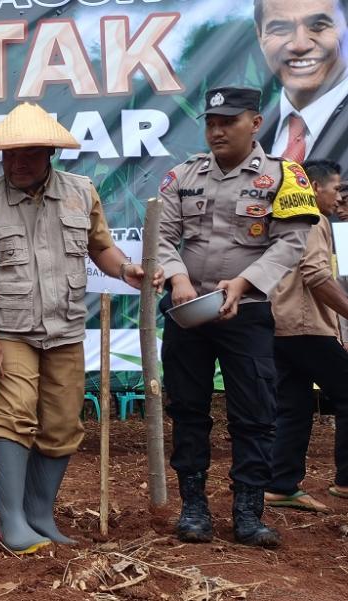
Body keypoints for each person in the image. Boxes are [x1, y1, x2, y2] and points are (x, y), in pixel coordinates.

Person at [0, 103, 162, 555]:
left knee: (62, 424)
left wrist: (126, 270)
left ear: (50, 152)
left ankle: (38, 513)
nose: (18, 162)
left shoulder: (81, 193)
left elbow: (101, 249)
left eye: (29, 153)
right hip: (10, 329)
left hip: (66, 328)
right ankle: (11, 521)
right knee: (14, 415)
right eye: (9, 155)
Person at [158, 86, 319, 548]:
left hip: (246, 312)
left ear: (256, 123)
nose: (217, 130)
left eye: (228, 121)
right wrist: (176, 277)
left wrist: (245, 283)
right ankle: (194, 508)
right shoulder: (182, 175)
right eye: (211, 122)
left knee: (254, 411)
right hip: (188, 313)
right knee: (187, 408)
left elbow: (291, 242)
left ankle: (248, 511)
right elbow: (162, 237)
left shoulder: (285, 176)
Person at [264, 159, 348, 512]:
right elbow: (315, 274)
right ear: (314, 188)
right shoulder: (313, 217)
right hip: (304, 325)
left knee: (294, 406)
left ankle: (281, 484)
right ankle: (345, 482)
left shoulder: (283, 214)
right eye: (336, 189)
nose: (339, 198)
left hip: (279, 325)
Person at [255, 0, 348, 166]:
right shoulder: (247, 135)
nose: (300, 45)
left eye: (318, 25)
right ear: (259, 36)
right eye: (281, 29)